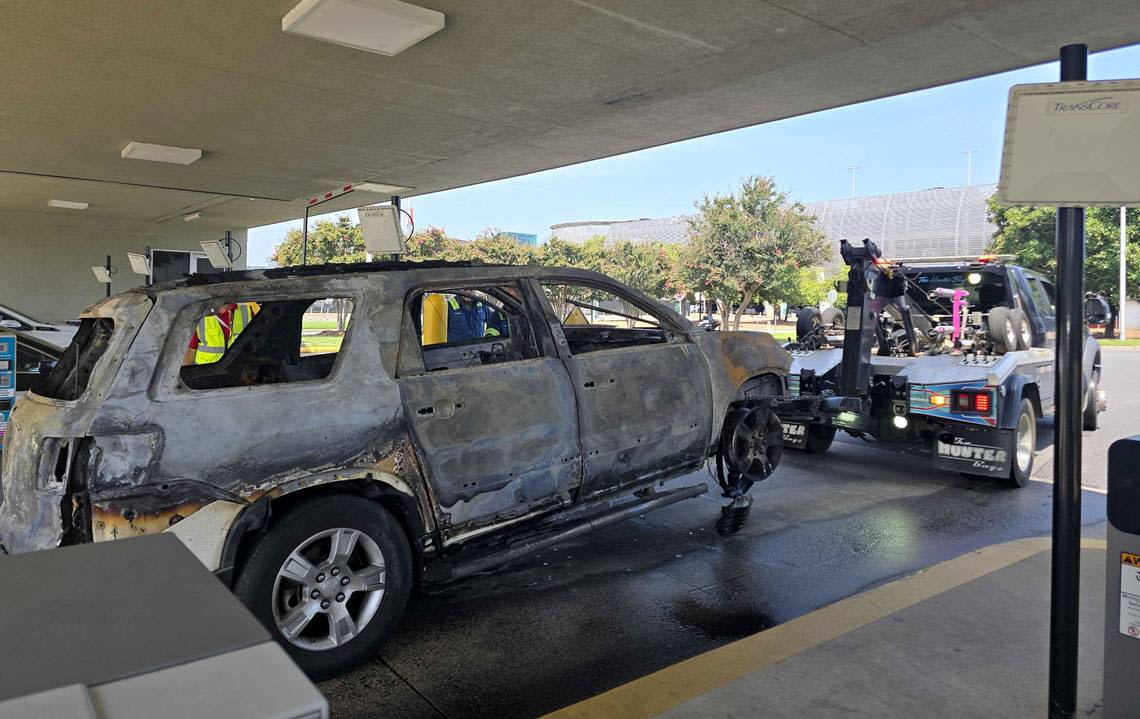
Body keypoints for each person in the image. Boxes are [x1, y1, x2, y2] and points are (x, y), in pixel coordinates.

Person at [183, 302, 256, 365]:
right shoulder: (200, 315)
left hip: (237, 370)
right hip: (206, 372)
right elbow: (190, 350)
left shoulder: (247, 311)